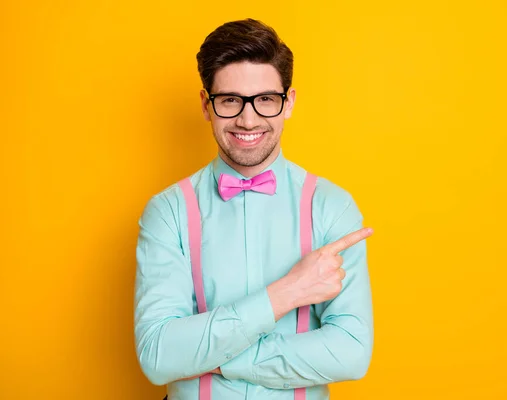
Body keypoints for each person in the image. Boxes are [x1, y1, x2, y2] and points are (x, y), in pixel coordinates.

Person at [134, 18, 374, 400]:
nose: (248, 119)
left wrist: (217, 358)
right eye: (230, 100)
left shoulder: (332, 206)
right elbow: (158, 355)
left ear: (289, 102)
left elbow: (351, 353)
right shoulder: (168, 211)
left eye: (265, 99)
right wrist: (287, 292)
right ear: (206, 105)